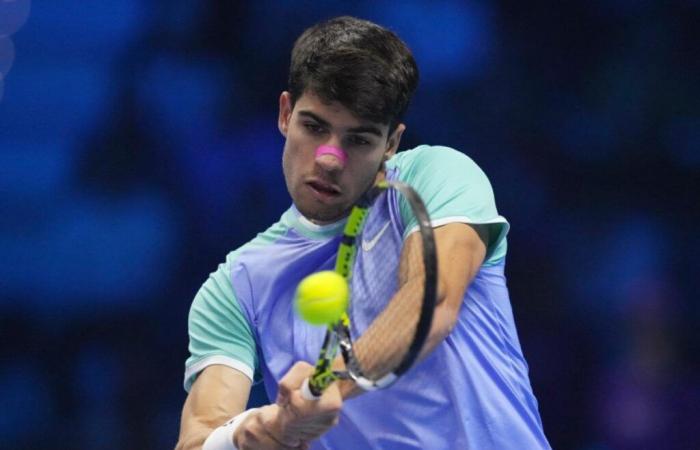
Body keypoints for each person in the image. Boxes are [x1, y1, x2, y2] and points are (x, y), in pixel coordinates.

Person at [176, 16, 551, 450]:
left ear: (391, 143)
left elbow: (432, 299)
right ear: (285, 114)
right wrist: (253, 435)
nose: (331, 158)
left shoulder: (437, 176)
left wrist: (329, 383)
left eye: (358, 140)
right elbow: (199, 438)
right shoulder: (236, 288)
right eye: (314, 127)